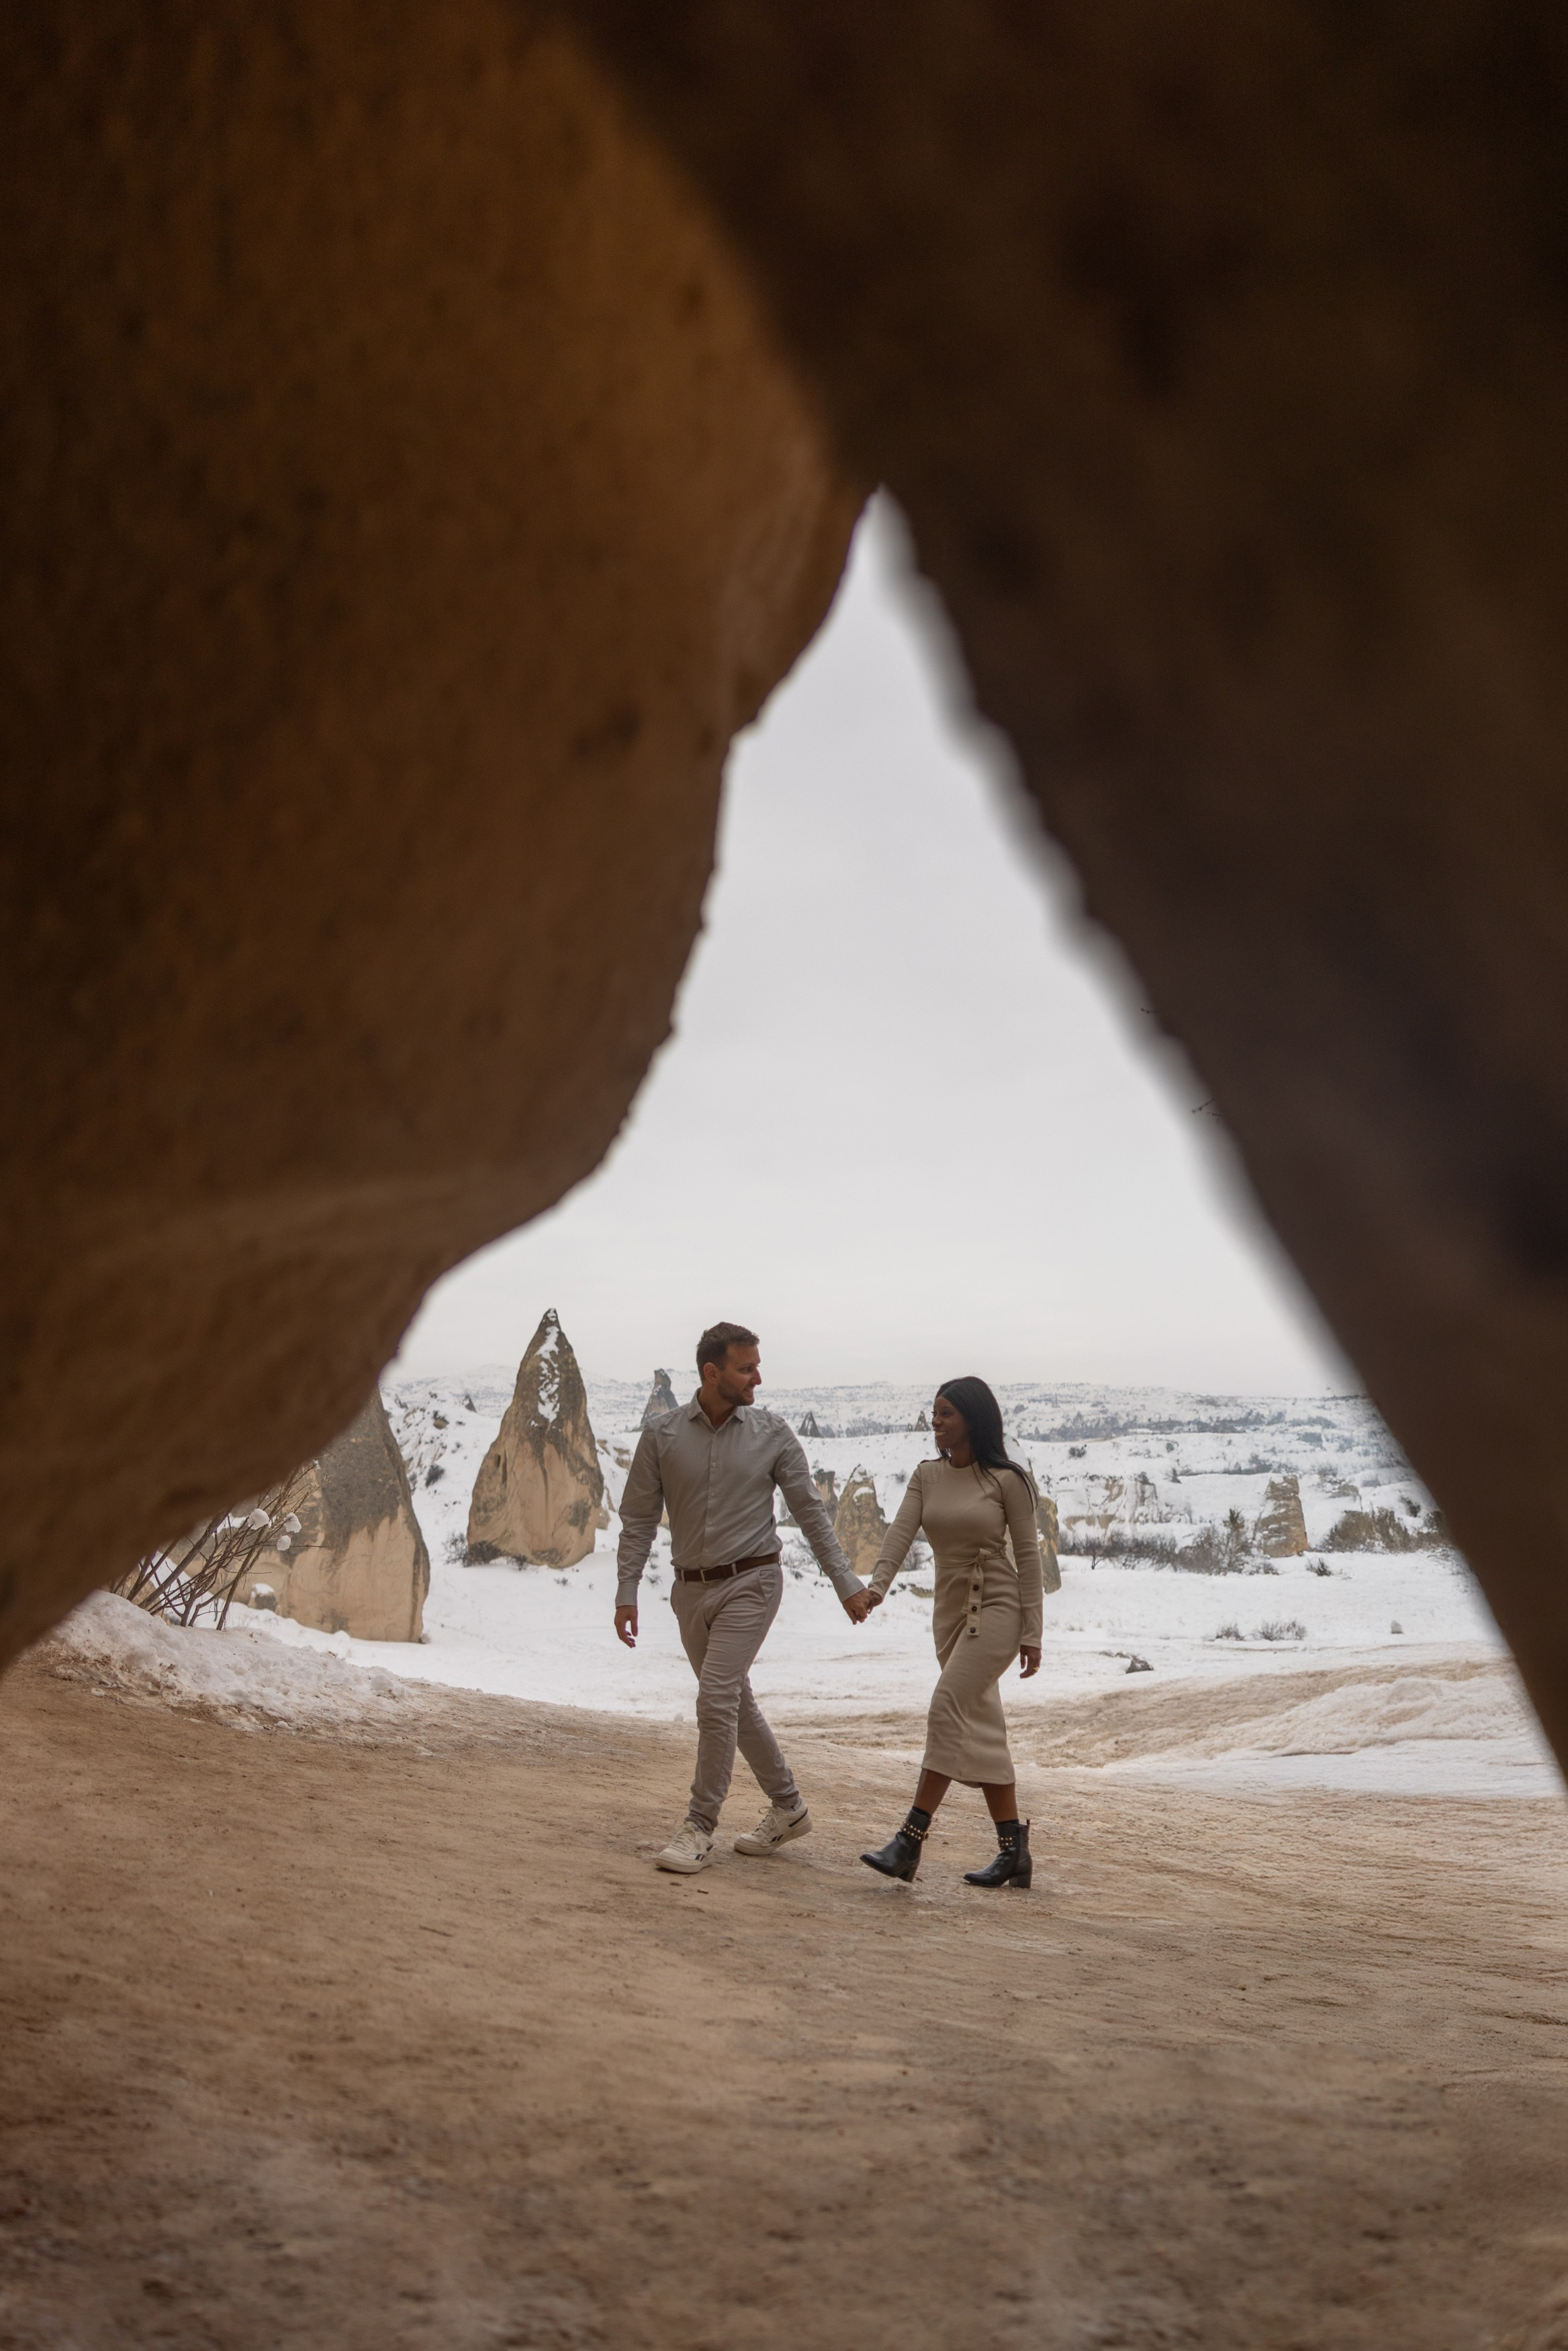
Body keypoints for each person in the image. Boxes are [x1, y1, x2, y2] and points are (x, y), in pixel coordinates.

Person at [615, 1321, 872, 1874]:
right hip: (689, 1592)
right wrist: (626, 1589)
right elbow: (637, 1520)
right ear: (712, 1373)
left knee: (715, 1699)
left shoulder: (772, 1433)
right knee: (734, 1702)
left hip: (752, 1583)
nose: (757, 1377)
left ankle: (698, 1826)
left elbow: (811, 1514)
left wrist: (845, 1583)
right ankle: (789, 1808)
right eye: (746, 1368)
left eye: (757, 1366)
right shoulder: (660, 1436)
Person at [859, 1376, 1055, 1889]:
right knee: (981, 1723)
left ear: (972, 1418)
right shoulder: (927, 1476)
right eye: (934, 1412)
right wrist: (876, 1589)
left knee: (947, 1705)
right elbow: (898, 1535)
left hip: (997, 1605)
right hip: (949, 1611)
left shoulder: (1007, 1480)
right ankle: (1013, 1850)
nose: (936, 1421)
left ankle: (909, 1840)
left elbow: (1028, 1560)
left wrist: (1032, 1633)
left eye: (946, 1413)